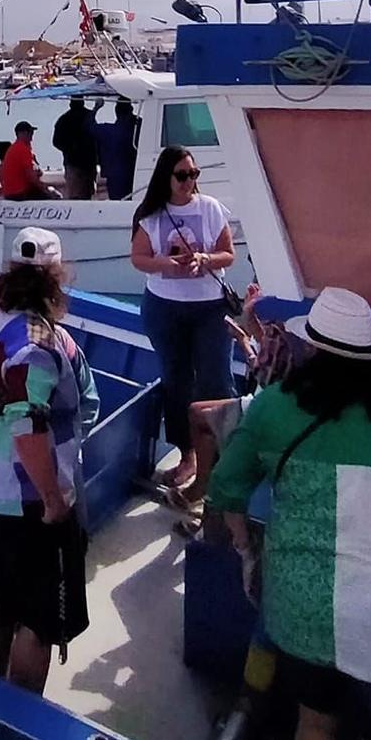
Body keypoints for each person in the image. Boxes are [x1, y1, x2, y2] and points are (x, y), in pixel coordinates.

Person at [210, 287, 371, 740]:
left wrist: (245, 548)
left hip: (299, 617)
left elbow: (226, 489)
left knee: (313, 722)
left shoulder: (273, 407)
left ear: (311, 348)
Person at [0, 226, 99, 694]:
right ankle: (20, 710)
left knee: (2, 590)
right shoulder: (40, 344)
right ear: (57, 277)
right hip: (31, 498)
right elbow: (27, 428)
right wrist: (54, 501)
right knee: (38, 619)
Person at [131, 145, 236, 498]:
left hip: (209, 308)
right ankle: (187, 455)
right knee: (176, 381)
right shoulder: (152, 214)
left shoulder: (210, 209)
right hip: (165, 308)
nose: (190, 181)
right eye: (182, 175)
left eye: (194, 174)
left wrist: (206, 258)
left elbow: (228, 255)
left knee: (216, 380)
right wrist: (166, 264)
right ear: (167, 177)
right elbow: (139, 258)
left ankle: (222, 460)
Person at [174, 282, 298, 532]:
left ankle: (209, 515)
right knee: (200, 413)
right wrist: (251, 329)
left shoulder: (283, 331)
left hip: (271, 411)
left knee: (206, 425)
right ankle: (201, 487)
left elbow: (264, 375)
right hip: (281, 404)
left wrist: (243, 341)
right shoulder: (295, 328)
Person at [0, 120, 58, 200]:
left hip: (9, 194)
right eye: (29, 132)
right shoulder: (23, 150)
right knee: (53, 195)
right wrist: (45, 188)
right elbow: (31, 177)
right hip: (20, 193)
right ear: (21, 134)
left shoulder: (13, 149)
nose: (31, 136)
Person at [51, 96, 100, 200]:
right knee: (81, 195)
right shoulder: (87, 116)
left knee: (80, 194)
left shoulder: (65, 119)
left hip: (81, 163)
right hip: (80, 163)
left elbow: (56, 142)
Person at [98, 98, 140, 201]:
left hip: (117, 176)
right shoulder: (138, 126)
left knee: (117, 202)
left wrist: (96, 108)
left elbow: (89, 126)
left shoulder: (110, 131)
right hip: (133, 173)